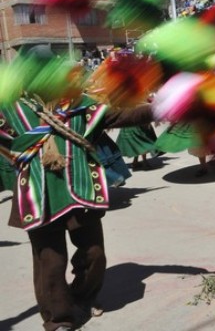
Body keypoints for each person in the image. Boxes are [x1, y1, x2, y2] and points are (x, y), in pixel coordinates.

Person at [0, 45, 154, 331]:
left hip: (80, 191)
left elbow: (122, 116)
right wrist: (19, 157)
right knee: (51, 264)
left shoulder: (79, 104)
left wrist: (166, 108)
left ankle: (81, 297)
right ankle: (59, 317)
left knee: (94, 253)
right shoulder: (12, 109)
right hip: (39, 196)